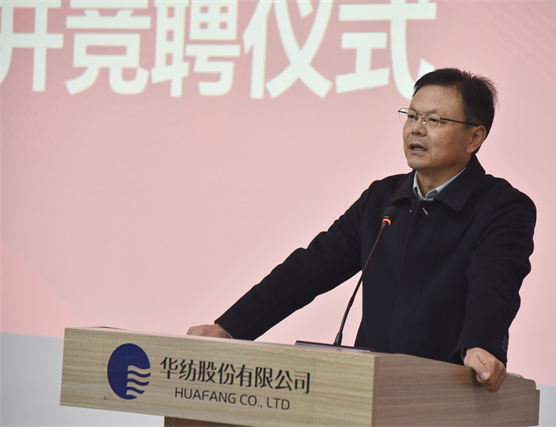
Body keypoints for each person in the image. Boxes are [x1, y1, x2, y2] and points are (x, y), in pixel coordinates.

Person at [188, 68, 536, 393]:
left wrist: (481, 345)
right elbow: (309, 269)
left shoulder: (502, 207)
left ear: (474, 137)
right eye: (412, 116)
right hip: (368, 391)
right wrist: (231, 328)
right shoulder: (383, 199)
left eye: (434, 120)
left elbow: (493, 283)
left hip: (446, 391)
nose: (416, 129)